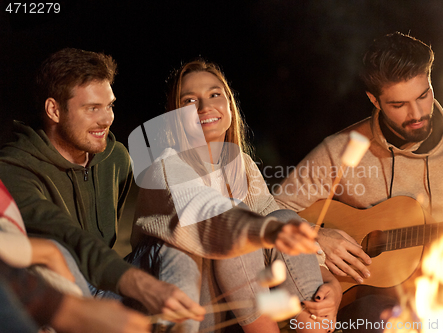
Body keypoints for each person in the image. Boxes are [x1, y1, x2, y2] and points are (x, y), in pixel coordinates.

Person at [274, 32, 443, 331]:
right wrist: (317, 237)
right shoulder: (342, 149)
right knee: (377, 316)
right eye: (399, 104)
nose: (417, 113)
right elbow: (270, 212)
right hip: (371, 305)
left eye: (423, 95)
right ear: (374, 100)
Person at [130, 60, 342, 333]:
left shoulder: (243, 166)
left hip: (234, 304)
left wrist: (331, 284)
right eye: (189, 101)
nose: (205, 107)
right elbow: (212, 219)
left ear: (229, 104)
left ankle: (315, 325)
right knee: (236, 226)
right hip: (184, 308)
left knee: (285, 219)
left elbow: (277, 224)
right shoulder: (166, 168)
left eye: (214, 94)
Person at [0, 48, 205, 321]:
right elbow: (68, 239)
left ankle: (179, 326)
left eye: (109, 105)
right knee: (59, 250)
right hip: (60, 295)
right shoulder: (14, 168)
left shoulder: (117, 159)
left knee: (172, 248)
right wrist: (142, 286)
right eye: (92, 108)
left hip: (108, 282)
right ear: (54, 110)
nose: (107, 119)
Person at [0, 179, 151, 333]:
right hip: (43, 298)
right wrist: (69, 310)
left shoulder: (116, 160)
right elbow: (67, 236)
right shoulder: (16, 164)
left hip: (68, 290)